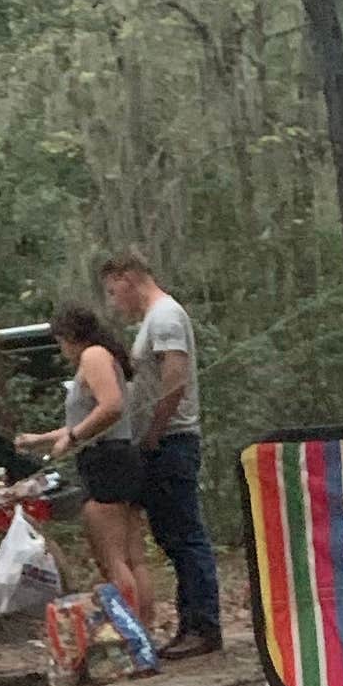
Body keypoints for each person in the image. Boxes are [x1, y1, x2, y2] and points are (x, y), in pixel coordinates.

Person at [98, 249, 220, 659]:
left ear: (129, 278)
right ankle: (192, 622)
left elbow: (175, 378)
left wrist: (155, 431)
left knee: (185, 536)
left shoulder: (165, 316)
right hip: (161, 440)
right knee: (171, 535)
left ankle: (204, 625)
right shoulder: (153, 320)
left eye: (115, 292)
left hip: (172, 440)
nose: (115, 303)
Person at [15, 301, 152, 633]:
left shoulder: (92, 356)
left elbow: (112, 407)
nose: (61, 349)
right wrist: (41, 439)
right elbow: (90, 419)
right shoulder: (103, 356)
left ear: (69, 336)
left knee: (112, 558)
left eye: (59, 341)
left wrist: (74, 437)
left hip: (105, 461)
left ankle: (130, 632)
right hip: (117, 455)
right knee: (133, 556)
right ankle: (144, 630)